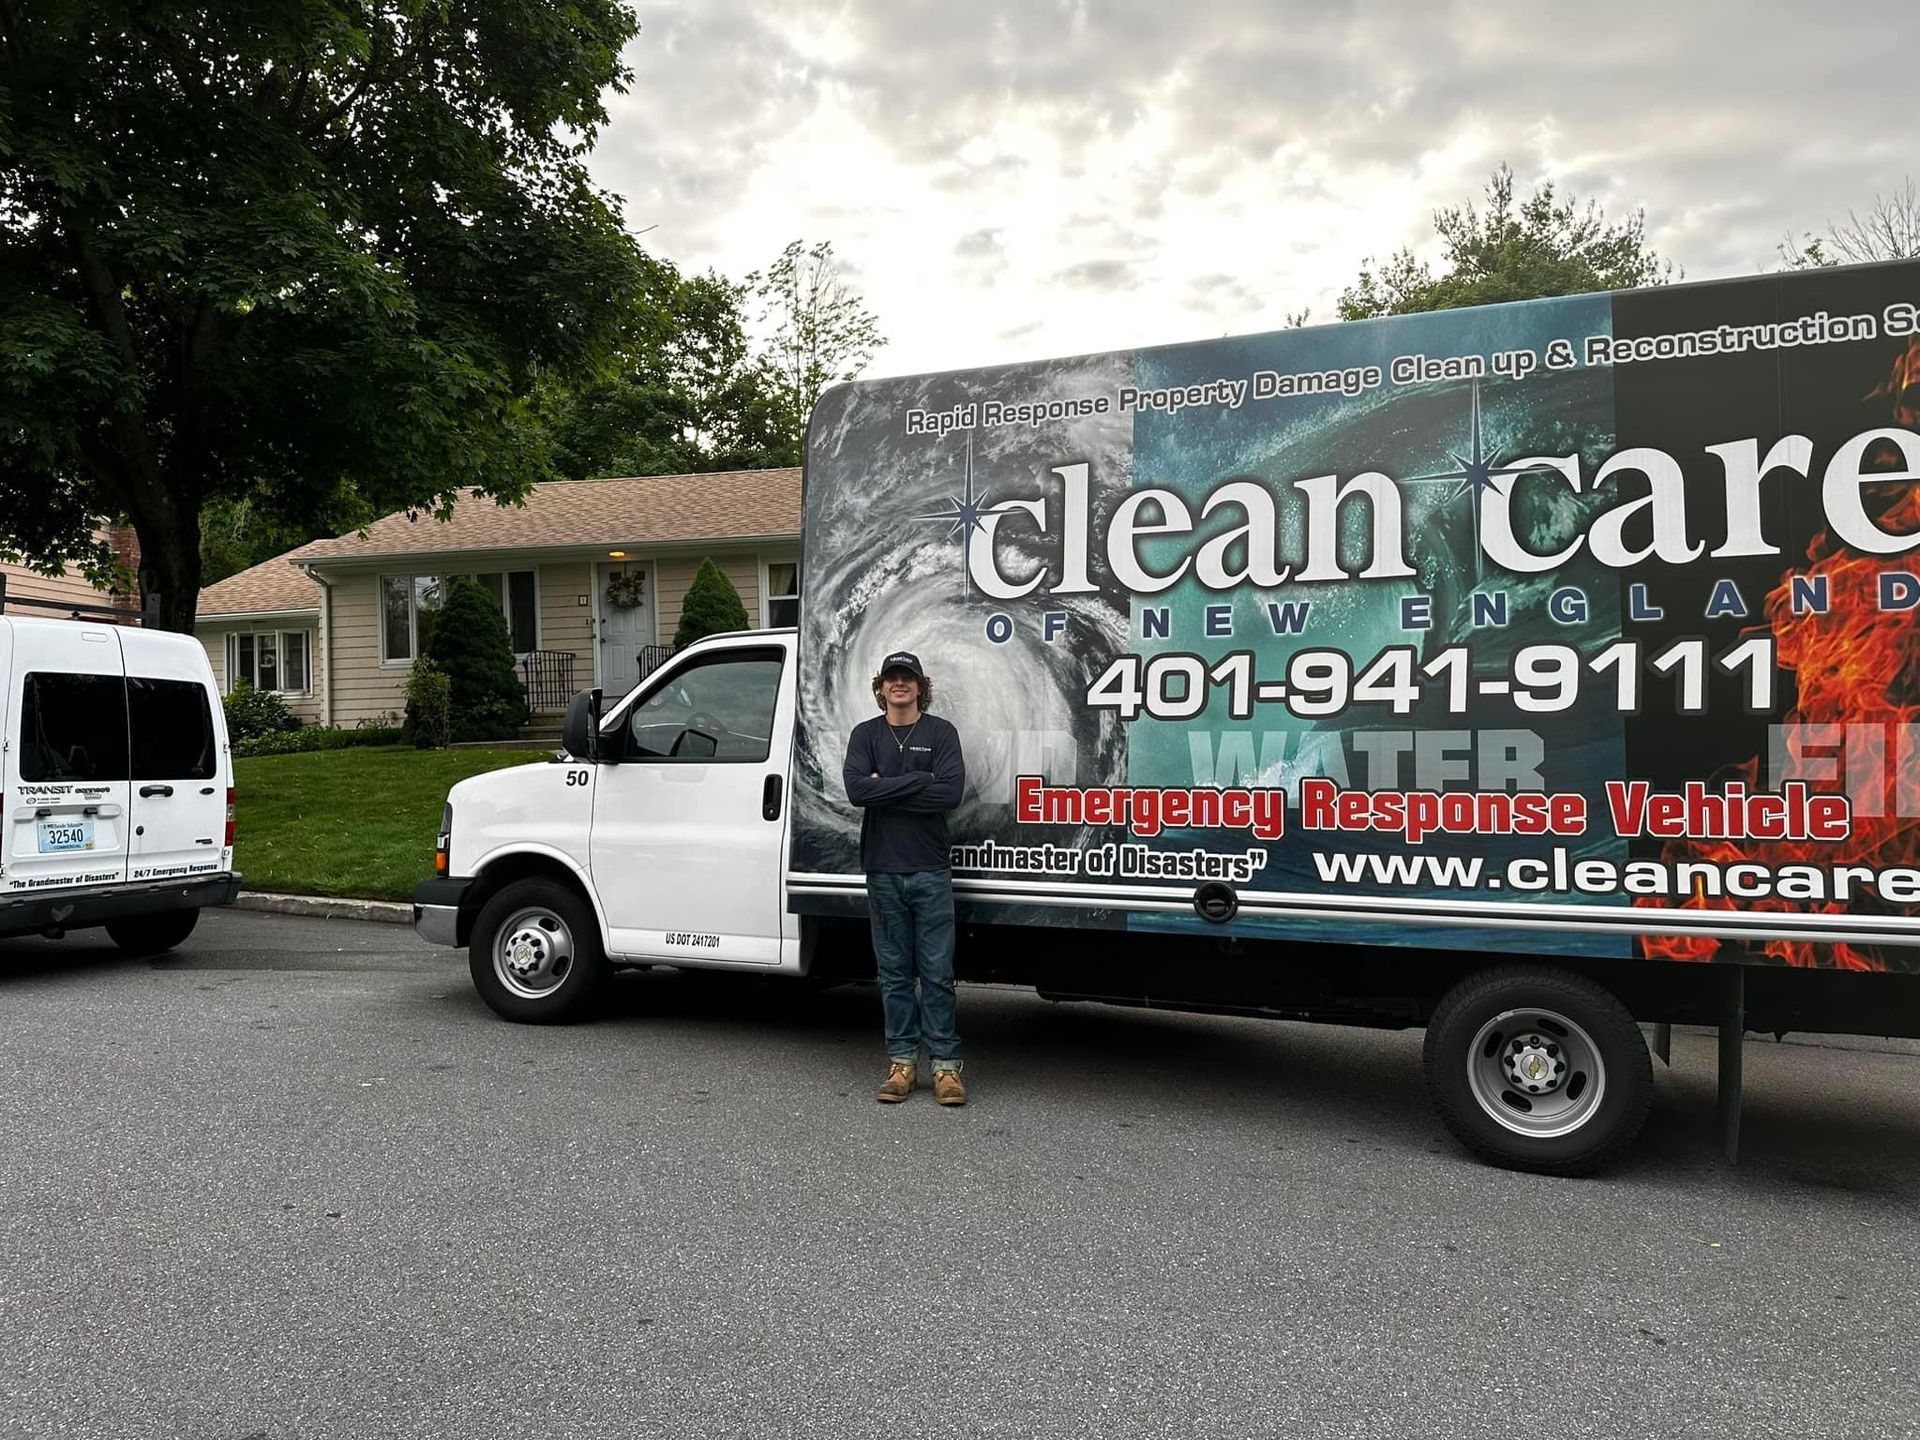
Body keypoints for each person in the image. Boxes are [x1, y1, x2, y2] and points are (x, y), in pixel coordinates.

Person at [842, 651, 968, 1106]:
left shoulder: (941, 732)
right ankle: (901, 1064)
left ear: (920, 687)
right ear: (881, 687)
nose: (900, 685)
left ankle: (946, 1068)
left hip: (931, 869)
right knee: (894, 975)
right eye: (892, 678)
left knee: (937, 973)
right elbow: (858, 791)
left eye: (908, 679)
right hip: (883, 870)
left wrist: (886, 788)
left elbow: (949, 793)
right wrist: (919, 781)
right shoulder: (865, 734)